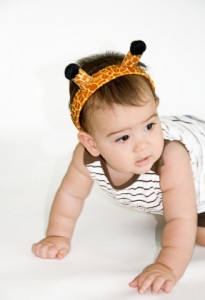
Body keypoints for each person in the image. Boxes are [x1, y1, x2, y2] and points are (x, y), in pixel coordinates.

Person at [32, 40, 205, 295]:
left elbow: (181, 218)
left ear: (156, 109)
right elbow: (71, 194)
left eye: (149, 125)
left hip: (199, 158)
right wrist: (57, 235)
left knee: (198, 236)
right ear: (91, 143)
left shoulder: (171, 157)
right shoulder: (85, 157)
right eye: (123, 138)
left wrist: (166, 266)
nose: (143, 146)